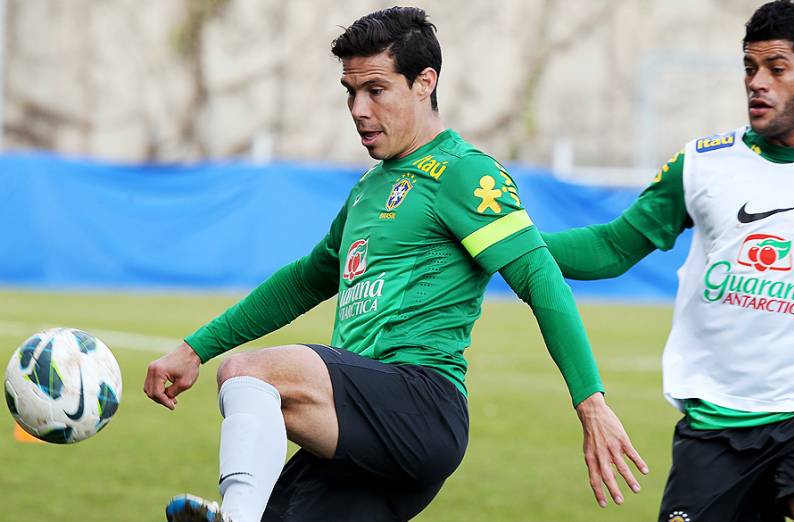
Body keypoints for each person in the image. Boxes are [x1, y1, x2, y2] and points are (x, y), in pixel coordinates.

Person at [144, 7, 647, 522]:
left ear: (424, 83)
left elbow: (540, 278)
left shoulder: (462, 171)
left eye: (376, 90)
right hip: (362, 430)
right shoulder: (368, 189)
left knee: (248, 373)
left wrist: (591, 402)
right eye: (350, 92)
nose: (358, 108)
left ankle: (236, 517)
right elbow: (303, 281)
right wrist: (193, 348)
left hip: (420, 403)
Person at [541, 1, 794, 520]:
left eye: (776, 68)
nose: (757, 82)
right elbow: (613, 247)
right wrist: (505, 244)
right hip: (719, 419)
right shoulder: (702, 163)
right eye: (749, 68)